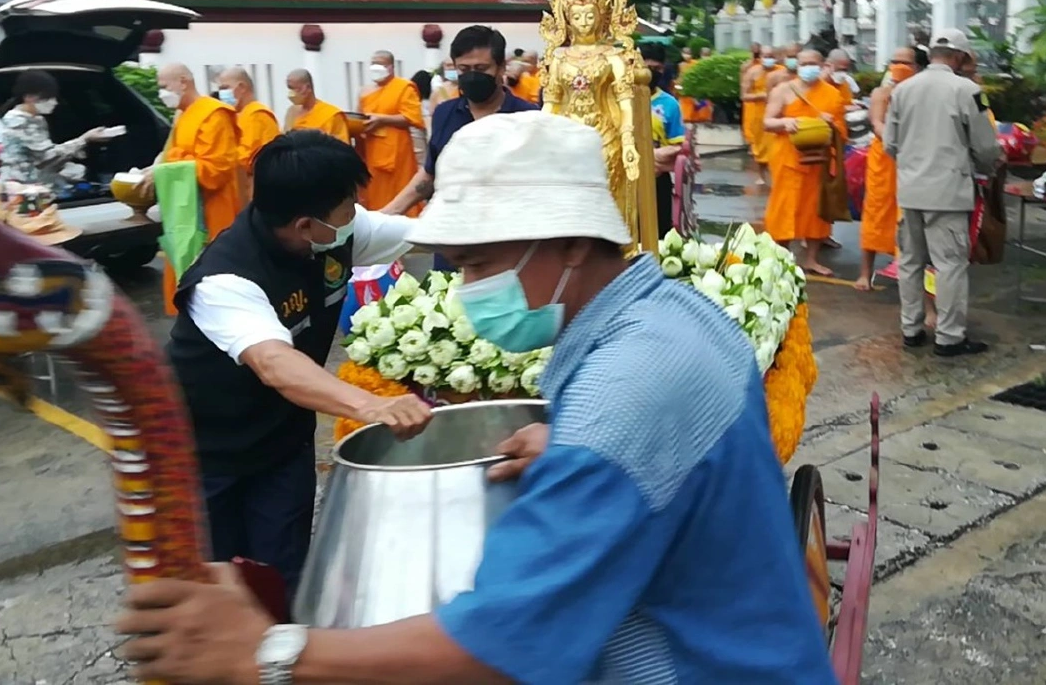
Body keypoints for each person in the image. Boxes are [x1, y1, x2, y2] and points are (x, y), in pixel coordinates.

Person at [117, 111, 837, 685]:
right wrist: (569, 440)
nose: (467, 293)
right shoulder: (675, 316)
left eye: (480, 265)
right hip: (216, 445)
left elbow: (501, 649)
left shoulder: (624, 397)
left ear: (573, 244)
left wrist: (270, 654)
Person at [164, 130, 432, 597]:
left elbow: (424, 233)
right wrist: (371, 406)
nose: (356, 216)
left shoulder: (337, 235)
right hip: (202, 454)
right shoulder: (225, 279)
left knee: (284, 578)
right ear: (306, 224)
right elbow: (274, 362)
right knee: (215, 587)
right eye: (347, 207)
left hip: (281, 443)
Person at [885, 29, 1000, 356]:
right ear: (961, 57)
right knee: (949, 265)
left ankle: (911, 329)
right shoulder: (969, 90)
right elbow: (986, 147)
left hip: (910, 191)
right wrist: (984, 167)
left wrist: (912, 166)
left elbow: (890, 144)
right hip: (948, 193)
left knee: (910, 263)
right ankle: (949, 337)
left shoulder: (903, 90)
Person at [381, 25, 537, 226]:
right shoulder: (445, 113)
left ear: (501, 68)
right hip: (452, 229)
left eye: (481, 69)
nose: (472, 76)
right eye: (464, 69)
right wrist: (388, 213)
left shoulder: (527, 117)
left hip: (507, 231)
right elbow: (432, 172)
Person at [143, 63, 243, 316]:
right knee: (186, 283)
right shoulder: (184, 115)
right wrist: (155, 170)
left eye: (164, 87)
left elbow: (216, 169)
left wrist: (166, 169)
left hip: (211, 214)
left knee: (212, 287)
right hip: (183, 213)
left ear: (183, 82)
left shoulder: (214, 113)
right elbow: (170, 158)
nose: (161, 93)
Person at [762, 47, 847, 277]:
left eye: (813, 64)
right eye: (804, 63)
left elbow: (842, 132)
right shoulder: (782, 90)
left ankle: (811, 260)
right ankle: (781, 257)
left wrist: (830, 123)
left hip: (818, 161)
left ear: (821, 67)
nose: (808, 67)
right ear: (797, 65)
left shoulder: (832, 94)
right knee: (785, 208)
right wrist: (786, 122)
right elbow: (767, 122)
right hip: (788, 158)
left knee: (815, 211)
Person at [855, 46, 921, 292]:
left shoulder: (921, 92)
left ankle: (905, 269)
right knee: (876, 211)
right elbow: (876, 122)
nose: (899, 66)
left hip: (913, 159)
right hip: (885, 157)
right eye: (895, 61)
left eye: (905, 62)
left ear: (916, 67)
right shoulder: (881, 93)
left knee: (907, 215)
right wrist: (897, 141)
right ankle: (865, 273)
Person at [0, 70, 108, 187]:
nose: (55, 103)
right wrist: (84, 139)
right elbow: (46, 158)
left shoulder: (37, 119)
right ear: (29, 97)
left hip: (38, 184)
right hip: (21, 188)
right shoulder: (17, 121)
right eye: (48, 98)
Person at [357, 51, 424, 213]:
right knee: (375, 190)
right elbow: (359, 117)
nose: (376, 68)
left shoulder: (403, 87)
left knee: (401, 188)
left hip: (398, 152)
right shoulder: (365, 92)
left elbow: (413, 118)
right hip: (372, 150)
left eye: (380, 64)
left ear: (391, 67)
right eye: (373, 64)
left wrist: (383, 119)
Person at [642, 42, 686, 238]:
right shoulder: (617, 100)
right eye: (646, 67)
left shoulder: (669, 104)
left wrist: (651, 157)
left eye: (657, 69)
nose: (651, 73)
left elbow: (677, 146)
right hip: (622, 181)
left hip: (656, 180)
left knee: (659, 236)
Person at [217, 66, 278, 204]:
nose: (222, 94)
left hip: (258, 192)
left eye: (225, 88)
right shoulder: (239, 115)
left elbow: (245, 157)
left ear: (242, 87)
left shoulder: (258, 115)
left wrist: (219, 161)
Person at [741, 45, 780, 185]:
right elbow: (744, 95)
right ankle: (761, 175)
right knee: (760, 146)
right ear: (760, 57)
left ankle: (776, 174)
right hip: (759, 114)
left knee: (777, 145)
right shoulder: (752, 72)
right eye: (765, 56)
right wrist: (762, 95)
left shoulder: (781, 72)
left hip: (777, 113)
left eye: (771, 56)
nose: (768, 59)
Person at [284, 70, 350, 143]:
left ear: (308, 87)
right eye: (290, 89)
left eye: (295, 89)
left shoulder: (331, 115)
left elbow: (343, 149)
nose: (291, 94)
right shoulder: (291, 112)